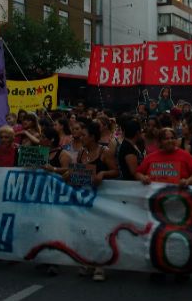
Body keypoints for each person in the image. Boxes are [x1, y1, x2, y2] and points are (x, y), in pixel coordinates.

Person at [76, 119, 119, 281]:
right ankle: (88, 262)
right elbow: (76, 172)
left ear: (93, 137)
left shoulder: (105, 152)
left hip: (102, 198)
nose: (81, 138)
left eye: (84, 135)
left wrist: (103, 174)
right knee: (86, 231)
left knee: (101, 231)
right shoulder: (80, 153)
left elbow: (115, 171)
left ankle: (100, 266)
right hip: (85, 198)